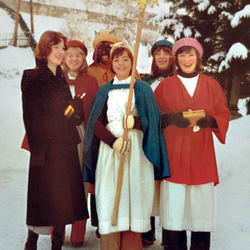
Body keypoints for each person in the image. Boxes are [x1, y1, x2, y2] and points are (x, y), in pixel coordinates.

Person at [82, 42, 170, 250]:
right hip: (111, 151)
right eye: (117, 59)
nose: (121, 63)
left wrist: (136, 123)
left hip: (136, 151)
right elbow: (95, 123)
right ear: (111, 63)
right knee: (110, 198)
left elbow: (154, 120)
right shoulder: (105, 89)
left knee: (133, 201)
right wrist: (114, 141)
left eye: (126, 59)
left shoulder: (142, 88)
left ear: (132, 62)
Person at [154, 38, 230, 250]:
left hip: (201, 154)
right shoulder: (165, 85)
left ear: (198, 58)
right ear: (175, 59)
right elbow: (154, 115)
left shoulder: (211, 84)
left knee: (200, 209)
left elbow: (223, 113)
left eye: (191, 54)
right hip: (175, 154)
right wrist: (169, 118)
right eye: (182, 54)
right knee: (175, 208)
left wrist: (210, 120)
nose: (187, 59)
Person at [21, 30, 89, 250]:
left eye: (63, 47)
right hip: (46, 151)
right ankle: (31, 243)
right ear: (44, 49)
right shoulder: (32, 76)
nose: (61, 52)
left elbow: (68, 115)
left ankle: (57, 244)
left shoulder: (60, 76)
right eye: (56, 47)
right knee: (41, 202)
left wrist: (76, 111)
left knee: (64, 203)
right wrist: (38, 152)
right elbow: (30, 118)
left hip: (66, 148)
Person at [62, 37, 98, 247]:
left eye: (78, 55)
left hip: (82, 135)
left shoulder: (89, 82)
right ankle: (58, 230)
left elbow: (94, 112)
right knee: (60, 183)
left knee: (80, 183)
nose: (74, 59)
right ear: (64, 57)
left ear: (84, 59)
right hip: (59, 136)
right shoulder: (56, 80)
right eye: (70, 55)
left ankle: (78, 233)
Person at [142, 38, 176, 248]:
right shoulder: (146, 82)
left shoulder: (180, 81)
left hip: (172, 138)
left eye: (166, 52)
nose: (162, 57)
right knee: (148, 184)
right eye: (157, 53)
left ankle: (171, 235)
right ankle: (147, 231)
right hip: (149, 137)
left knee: (170, 186)